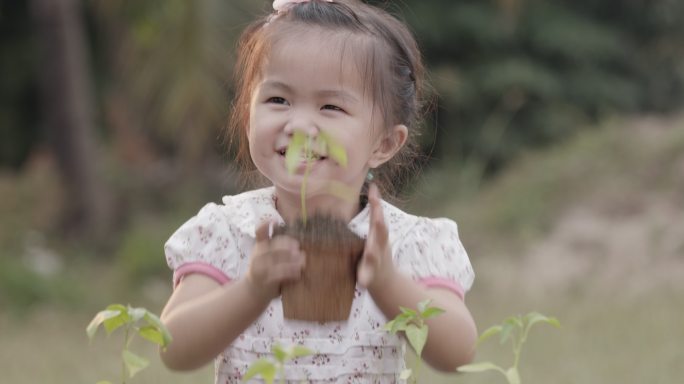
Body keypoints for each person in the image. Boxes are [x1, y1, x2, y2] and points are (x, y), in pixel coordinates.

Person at [159, 0, 477, 382]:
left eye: (330, 107)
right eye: (278, 100)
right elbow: (173, 348)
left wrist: (388, 283)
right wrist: (252, 289)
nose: (299, 124)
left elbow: (457, 354)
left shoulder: (404, 243)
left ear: (385, 144)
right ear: (247, 118)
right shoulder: (228, 232)